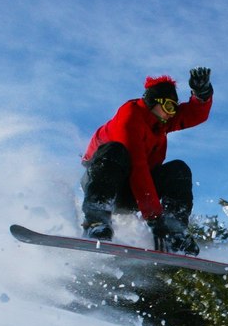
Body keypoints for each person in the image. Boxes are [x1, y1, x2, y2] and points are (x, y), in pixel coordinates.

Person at [80, 67, 213, 256]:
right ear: (154, 102)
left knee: (178, 169)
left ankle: (175, 232)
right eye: (169, 106)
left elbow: (192, 115)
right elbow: (137, 167)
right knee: (115, 151)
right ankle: (96, 221)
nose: (172, 113)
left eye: (175, 108)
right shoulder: (130, 116)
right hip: (106, 182)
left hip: (134, 192)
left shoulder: (160, 123)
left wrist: (202, 95)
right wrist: (154, 217)